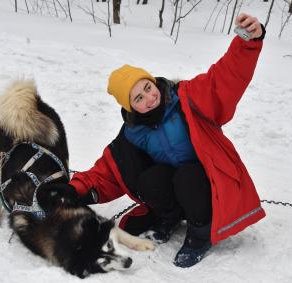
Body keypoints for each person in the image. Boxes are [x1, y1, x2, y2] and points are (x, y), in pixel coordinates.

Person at [67, 13, 266, 268]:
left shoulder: (187, 98)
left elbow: (224, 78)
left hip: (207, 185)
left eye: (147, 88)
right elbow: (108, 171)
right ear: (130, 108)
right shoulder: (133, 132)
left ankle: (200, 232)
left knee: (187, 176)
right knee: (149, 180)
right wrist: (74, 190)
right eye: (138, 98)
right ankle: (169, 217)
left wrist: (248, 41)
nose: (149, 98)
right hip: (179, 188)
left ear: (153, 82)